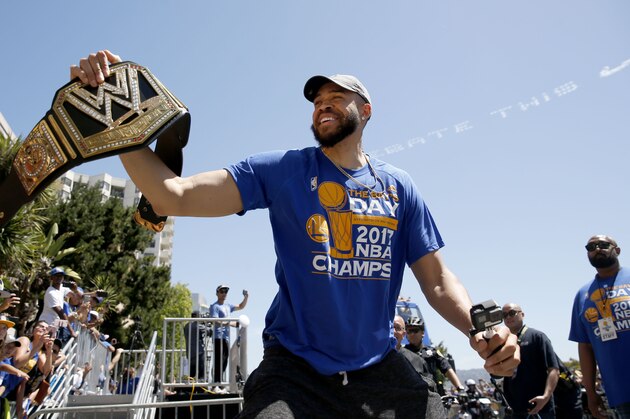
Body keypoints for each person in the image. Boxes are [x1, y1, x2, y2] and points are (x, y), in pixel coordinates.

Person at [70, 50, 519, 418]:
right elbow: (175, 196)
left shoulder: (399, 187)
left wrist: (479, 331)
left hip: (379, 367)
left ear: (365, 111)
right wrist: (115, 117)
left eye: (336, 96)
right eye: (317, 98)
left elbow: (437, 281)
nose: (322, 103)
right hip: (295, 371)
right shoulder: (283, 170)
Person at [569, 235, 630, 418]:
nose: (597, 249)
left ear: (617, 250)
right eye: (591, 247)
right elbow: (585, 347)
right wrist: (590, 391)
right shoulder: (582, 296)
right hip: (619, 392)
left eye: (603, 245)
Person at [501, 303, 559, 419]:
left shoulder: (538, 337)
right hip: (515, 409)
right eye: (504, 315)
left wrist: (546, 396)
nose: (508, 317)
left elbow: (554, 370)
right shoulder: (504, 342)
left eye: (512, 313)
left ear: (522, 314)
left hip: (539, 407)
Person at [404, 316, 465, 395]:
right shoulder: (402, 353)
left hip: (434, 395)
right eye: (409, 331)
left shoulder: (433, 352)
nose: (412, 334)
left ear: (422, 333)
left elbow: (446, 368)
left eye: (415, 331)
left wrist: (459, 387)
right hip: (411, 395)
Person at [209, 285, 248, 391]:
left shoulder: (228, 306)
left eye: (226, 291)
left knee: (224, 361)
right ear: (217, 293)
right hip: (218, 337)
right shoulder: (214, 306)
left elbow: (241, 306)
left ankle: (220, 383)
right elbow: (215, 320)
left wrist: (246, 297)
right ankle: (215, 384)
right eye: (222, 291)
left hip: (226, 337)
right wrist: (228, 323)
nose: (224, 293)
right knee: (218, 360)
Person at [38, 268, 77, 345]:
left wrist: (75, 289)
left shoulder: (61, 288)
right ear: (51, 278)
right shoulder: (51, 293)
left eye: (61, 276)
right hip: (46, 326)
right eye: (56, 276)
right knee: (43, 349)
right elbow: (61, 313)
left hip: (55, 325)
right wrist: (71, 331)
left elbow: (76, 299)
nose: (59, 278)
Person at [183, 310, 208, 381]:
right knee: (201, 374)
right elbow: (209, 331)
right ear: (197, 316)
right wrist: (206, 324)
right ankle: (201, 387)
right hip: (199, 352)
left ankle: (190, 388)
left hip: (190, 353)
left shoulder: (186, 326)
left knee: (191, 374)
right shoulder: (198, 326)